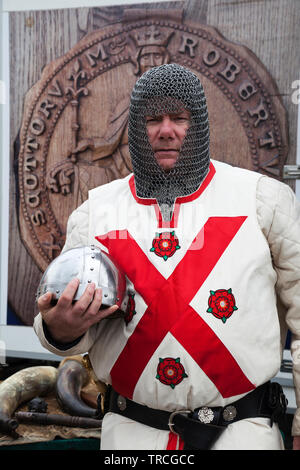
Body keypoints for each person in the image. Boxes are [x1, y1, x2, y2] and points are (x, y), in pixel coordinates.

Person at [34, 64, 300, 450]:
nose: (166, 130)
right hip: (130, 436)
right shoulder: (96, 212)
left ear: (198, 124)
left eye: (179, 117)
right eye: (153, 119)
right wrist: (60, 328)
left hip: (240, 434)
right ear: (136, 129)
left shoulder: (262, 200)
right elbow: (70, 328)